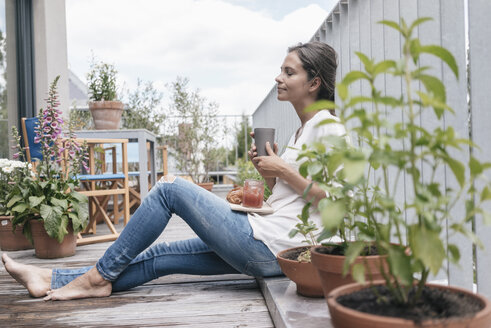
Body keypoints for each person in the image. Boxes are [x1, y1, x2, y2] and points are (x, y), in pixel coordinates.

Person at [2, 41, 345, 301]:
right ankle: (52, 280)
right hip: (269, 246)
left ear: (314, 83)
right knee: (159, 257)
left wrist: (283, 169)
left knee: (169, 190)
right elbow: (293, 199)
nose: (278, 78)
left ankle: (95, 277)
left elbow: (337, 204)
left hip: (270, 246)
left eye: (289, 72)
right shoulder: (304, 130)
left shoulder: (329, 128)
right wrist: (269, 172)